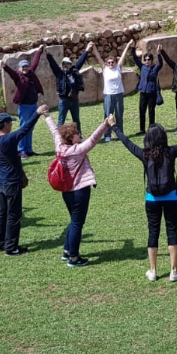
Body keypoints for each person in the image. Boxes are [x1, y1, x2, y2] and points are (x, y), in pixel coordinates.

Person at [112, 119, 177, 282]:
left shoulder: (144, 155)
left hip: (152, 199)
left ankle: (153, 271)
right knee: (171, 231)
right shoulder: (170, 152)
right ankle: (174, 271)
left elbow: (127, 142)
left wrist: (114, 126)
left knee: (153, 232)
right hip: (171, 197)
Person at [46, 114, 114, 267]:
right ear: (71, 138)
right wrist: (105, 124)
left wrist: (46, 116)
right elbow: (93, 139)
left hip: (67, 192)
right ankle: (74, 258)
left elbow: (54, 132)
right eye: (77, 133)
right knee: (77, 223)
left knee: (74, 221)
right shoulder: (77, 150)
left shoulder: (60, 147)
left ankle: (67, 250)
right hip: (79, 192)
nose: (80, 135)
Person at [0, 101, 47, 256]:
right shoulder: (9, 139)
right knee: (14, 215)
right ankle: (11, 247)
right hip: (12, 182)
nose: (12, 126)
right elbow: (25, 129)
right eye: (10, 123)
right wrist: (38, 113)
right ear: (6, 124)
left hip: (1, 182)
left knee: (2, 213)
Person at [0, 46, 46, 158]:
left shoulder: (31, 74)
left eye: (26, 66)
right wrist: (4, 65)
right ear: (20, 68)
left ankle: (29, 149)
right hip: (24, 106)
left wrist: (39, 51)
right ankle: (21, 151)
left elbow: (35, 63)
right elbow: (10, 72)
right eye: (23, 66)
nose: (25, 68)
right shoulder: (18, 76)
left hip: (33, 105)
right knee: (24, 128)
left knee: (30, 127)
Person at [95, 40, 133, 142]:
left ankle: (120, 134)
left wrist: (128, 45)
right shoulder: (105, 69)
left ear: (115, 62)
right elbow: (98, 58)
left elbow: (123, 56)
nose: (111, 64)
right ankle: (107, 134)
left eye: (112, 62)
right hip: (108, 95)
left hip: (119, 94)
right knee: (108, 114)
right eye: (109, 62)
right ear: (107, 63)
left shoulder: (118, 68)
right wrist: (94, 48)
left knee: (119, 114)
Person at [47, 42, 92, 126]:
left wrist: (86, 50)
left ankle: (79, 136)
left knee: (76, 121)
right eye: (65, 64)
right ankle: (59, 138)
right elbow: (53, 64)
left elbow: (80, 61)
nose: (67, 65)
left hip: (74, 99)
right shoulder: (59, 73)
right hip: (64, 100)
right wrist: (48, 55)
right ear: (62, 64)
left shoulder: (74, 71)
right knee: (61, 121)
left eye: (68, 64)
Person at [134, 45, 165, 135]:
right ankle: (142, 129)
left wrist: (158, 53)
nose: (147, 61)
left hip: (152, 92)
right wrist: (132, 48)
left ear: (152, 60)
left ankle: (151, 129)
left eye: (149, 60)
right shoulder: (142, 67)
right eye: (146, 60)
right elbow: (136, 59)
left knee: (151, 111)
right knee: (142, 110)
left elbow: (161, 63)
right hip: (143, 92)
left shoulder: (155, 68)